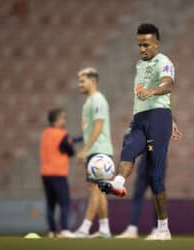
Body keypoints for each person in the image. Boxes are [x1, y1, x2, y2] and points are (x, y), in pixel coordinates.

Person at [99, 23, 175, 240]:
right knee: (129, 148)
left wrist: (153, 91)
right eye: (139, 45)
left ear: (156, 43)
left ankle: (163, 229)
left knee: (155, 176)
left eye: (146, 45)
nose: (142, 49)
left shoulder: (164, 61)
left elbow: (168, 84)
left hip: (158, 118)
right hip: (140, 118)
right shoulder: (139, 65)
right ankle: (118, 183)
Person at [116, 120, 182, 239]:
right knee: (137, 196)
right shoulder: (147, 119)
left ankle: (157, 229)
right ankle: (132, 229)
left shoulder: (162, 119)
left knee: (156, 196)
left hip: (157, 163)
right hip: (144, 165)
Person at [73, 67, 113, 238]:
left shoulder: (97, 99)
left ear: (93, 81)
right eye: (79, 81)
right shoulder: (90, 100)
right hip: (97, 151)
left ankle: (84, 228)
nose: (79, 85)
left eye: (83, 81)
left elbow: (98, 126)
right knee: (98, 189)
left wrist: (85, 149)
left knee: (94, 189)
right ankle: (104, 229)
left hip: (99, 151)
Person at [40, 108, 75, 238]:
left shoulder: (45, 133)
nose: (64, 121)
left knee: (50, 204)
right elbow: (70, 151)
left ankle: (51, 231)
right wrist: (71, 143)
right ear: (56, 121)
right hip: (58, 173)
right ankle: (65, 229)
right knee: (65, 203)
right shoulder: (62, 134)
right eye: (63, 118)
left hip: (45, 173)